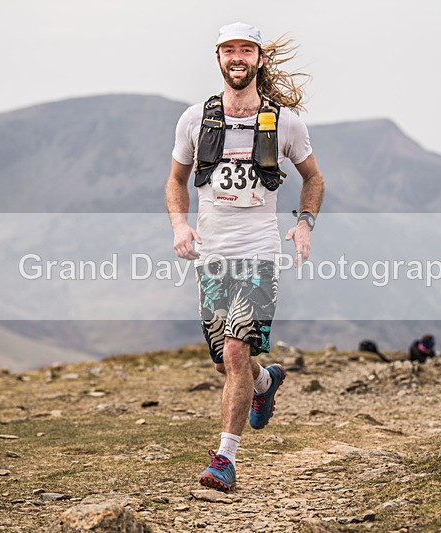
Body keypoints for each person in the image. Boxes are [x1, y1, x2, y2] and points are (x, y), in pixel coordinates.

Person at [165, 22, 324, 492]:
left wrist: (304, 223)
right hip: (212, 258)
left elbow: (314, 178)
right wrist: (179, 225)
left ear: (259, 59)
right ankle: (263, 384)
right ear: (218, 58)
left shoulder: (285, 122)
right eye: (229, 50)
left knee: (237, 351)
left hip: (259, 254)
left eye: (246, 50)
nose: (237, 57)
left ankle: (225, 460)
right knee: (225, 363)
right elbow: (175, 181)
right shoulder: (195, 120)